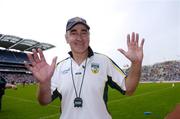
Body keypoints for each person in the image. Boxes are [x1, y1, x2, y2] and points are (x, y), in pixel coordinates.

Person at [25, 17, 145, 119]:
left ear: (89, 36)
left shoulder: (104, 61)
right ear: (66, 38)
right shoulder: (59, 68)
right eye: (73, 32)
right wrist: (44, 83)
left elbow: (129, 88)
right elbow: (44, 101)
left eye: (84, 32)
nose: (79, 37)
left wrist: (136, 63)